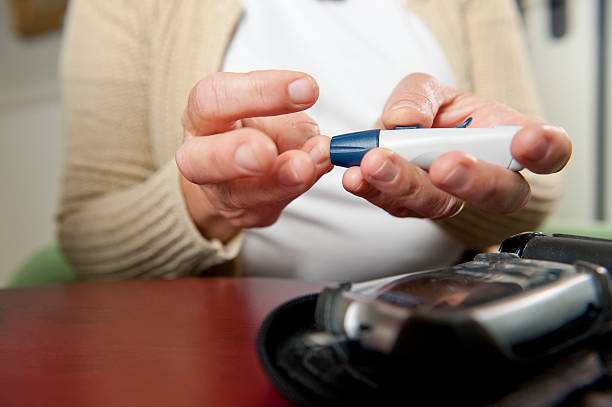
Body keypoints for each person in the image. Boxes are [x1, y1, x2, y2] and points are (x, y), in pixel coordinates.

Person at [57, 0, 571, 281]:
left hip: (443, 316)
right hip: (235, 341)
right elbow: (89, 240)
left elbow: (532, 183)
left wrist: (464, 185)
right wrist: (209, 202)